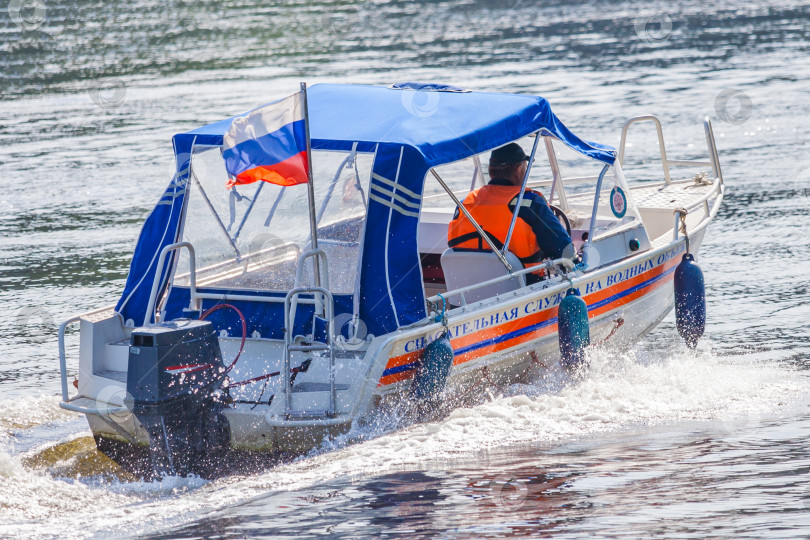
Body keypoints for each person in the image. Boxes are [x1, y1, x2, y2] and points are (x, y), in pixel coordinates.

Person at [447, 142, 571, 278]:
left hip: (468, 287)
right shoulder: (530, 202)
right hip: (522, 286)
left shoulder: (464, 204)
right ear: (519, 169)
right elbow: (564, 250)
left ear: (490, 170)